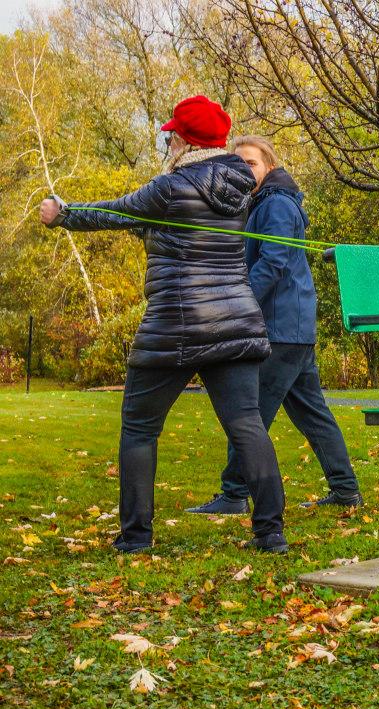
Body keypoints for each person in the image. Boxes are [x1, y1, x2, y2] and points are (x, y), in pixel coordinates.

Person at [39, 95, 289, 553]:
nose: (170, 138)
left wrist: (64, 213)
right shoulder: (241, 186)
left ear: (185, 139)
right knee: (246, 423)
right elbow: (173, 231)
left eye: (174, 132)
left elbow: (116, 212)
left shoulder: (170, 186)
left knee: (139, 427)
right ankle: (270, 532)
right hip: (234, 320)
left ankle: (135, 537)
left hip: (177, 322)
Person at [185, 135, 363, 515]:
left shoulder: (277, 203)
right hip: (293, 328)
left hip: (281, 327)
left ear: (269, 165)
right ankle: (346, 490)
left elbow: (274, 262)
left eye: (251, 163)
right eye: (239, 164)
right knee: (313, 414)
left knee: (247, 414)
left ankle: (234, 494)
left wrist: (239, 302)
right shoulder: (263, 202)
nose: (245, 170)